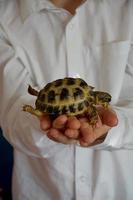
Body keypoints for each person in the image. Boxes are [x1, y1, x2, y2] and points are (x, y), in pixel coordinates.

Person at [0, 0, 133, 199]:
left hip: (116, 189)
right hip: (41, 189)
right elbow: (12, 114)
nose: (104, 101)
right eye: (103, 100)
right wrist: (40, 124)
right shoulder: (5, 13)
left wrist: (113, 130)